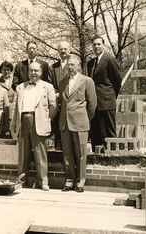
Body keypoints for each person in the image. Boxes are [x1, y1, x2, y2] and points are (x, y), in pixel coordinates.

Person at [11, 62, 57, 191]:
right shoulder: (20, 87)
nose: (33, 73)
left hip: (39, 122)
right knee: (23, 153)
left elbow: (53, 106)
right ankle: (21, 181)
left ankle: (43, 182)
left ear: (41, 72)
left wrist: (46, 118)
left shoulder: (47, 87)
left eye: (36, 71)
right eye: (31, 71)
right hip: (23, 121)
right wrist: (14, 125)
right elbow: (15, 108)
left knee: (40, 153)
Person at [59, 55, 97, 192]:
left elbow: (92, 105)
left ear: (79, 65)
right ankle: (69, 180)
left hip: (80, 122)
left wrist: (85, 119)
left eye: (73, 65)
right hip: (64, 123)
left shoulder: (87, 81)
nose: (70, 67)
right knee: (67, 154)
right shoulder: (63, 82)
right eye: (68, 65)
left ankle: (80, 182)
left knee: (81, 154)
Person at [87, 36, 122, 151]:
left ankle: (112, 158)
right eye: (94, 44)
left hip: (107, 102)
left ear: (103, 45)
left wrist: (111, 96)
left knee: (109, 131)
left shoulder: (110, 60)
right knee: (96, 132)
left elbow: (117, 81)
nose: (96, 46)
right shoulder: (90, 63)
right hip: (94, 103)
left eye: (98, 44)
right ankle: (97, 158)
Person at [49, 41, 72, 150]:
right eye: (61, 49)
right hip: (57, 103)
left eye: (65, 49)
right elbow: (49, 84)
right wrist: (55, 94)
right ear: (58, 51)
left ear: (69, 50)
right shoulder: (52, 68)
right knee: (58, 130)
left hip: (70, 103)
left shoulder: (75, 65)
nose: (63, 51)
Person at [0, 61, 15, 135]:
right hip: (2, 110)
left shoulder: (15, 80)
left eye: (8, 69)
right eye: (4, 69)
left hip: (13, 109)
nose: (6, 71)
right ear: (1, 70)